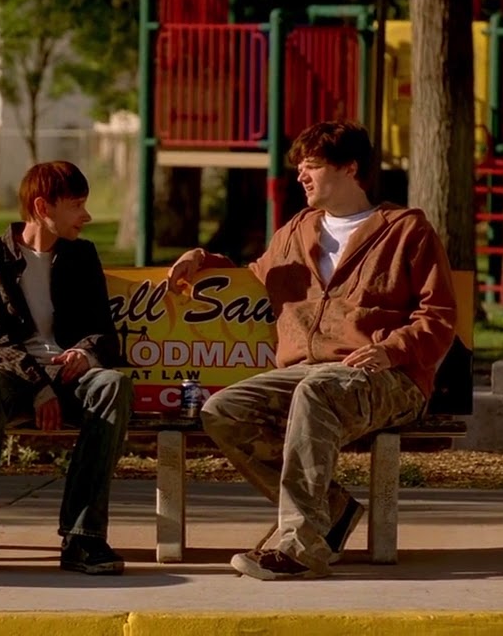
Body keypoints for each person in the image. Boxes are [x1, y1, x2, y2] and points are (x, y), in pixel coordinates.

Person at [167, 120, 457, 579]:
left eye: (313, 166)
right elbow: (256, 275)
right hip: (306, 375)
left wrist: (392, 349)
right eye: (300, 167)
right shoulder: (296, 232)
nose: (301, 175)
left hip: (387, 377)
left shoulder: (406, 230)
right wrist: (201, 259)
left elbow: (438, 315)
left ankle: (301, 548)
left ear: (350, 169)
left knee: (316, 391)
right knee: (223, 410)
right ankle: (334, 510)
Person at [0, 160, 133, 576]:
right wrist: (37, 385)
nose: (86, 216)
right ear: (43, 207)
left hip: (70, 378)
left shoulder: (82, 255)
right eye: (76, 205)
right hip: (14, 376)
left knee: (112, 384)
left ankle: (82, 536)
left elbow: (103, 332)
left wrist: (86, 354)